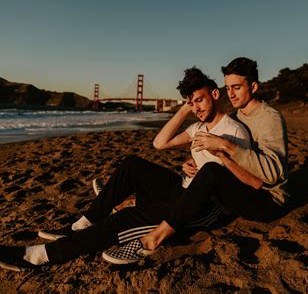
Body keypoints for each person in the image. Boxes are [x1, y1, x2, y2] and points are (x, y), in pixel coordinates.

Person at [0, 67, 251, 271]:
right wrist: (183, 111)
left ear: (215, 95)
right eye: (191, 102)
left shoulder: (234, 131)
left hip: (199, 206)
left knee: (124, 220)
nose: (196, 107)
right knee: (133, 164)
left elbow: (235, 179)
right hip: (181, 187)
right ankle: (83, 222)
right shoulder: (197, 127)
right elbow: (159, 143)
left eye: (200, 100)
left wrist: (210, 161)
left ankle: (35, 256)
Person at [102, 57, 288, 264]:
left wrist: (225, 146)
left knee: (209, 173)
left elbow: (273, 174)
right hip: (240, 187)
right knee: (195, 177)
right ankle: (128, 202)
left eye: (237, 87)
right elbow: (227, 154)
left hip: (267, 200)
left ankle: (154, 238)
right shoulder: (236, 116)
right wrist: (193, 158)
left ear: (253, 86)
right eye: (228, 88)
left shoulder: (270, 118)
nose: (231, 94)